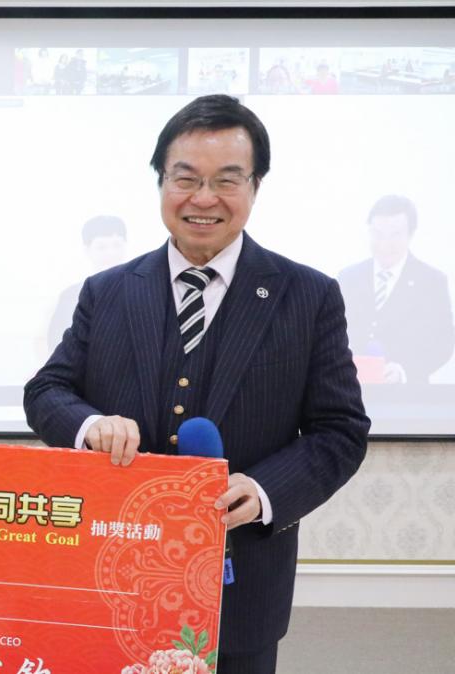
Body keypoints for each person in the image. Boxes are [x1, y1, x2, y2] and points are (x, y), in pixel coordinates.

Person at [24, 95, 369, 673]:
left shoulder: (307, 296)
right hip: (115, 577)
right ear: (161, 182)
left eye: (226, 180)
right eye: (185, 178)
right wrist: (90, 425)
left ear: (255, 187)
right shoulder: (107, 291)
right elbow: (46, 392)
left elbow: (340, 431)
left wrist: (263, 492)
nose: (203, 198)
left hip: (242, 585)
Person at [337, 195, 455, 384]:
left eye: (395, 235)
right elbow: (332, 332)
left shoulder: (432, 281)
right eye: (378, 234)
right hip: (349, 389)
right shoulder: (348, 278)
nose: (385, 244)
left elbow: (444, 342)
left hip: (407, 394)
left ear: (411, 235)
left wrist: (405, 370)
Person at [47, 215, 128, 352]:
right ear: (87, 250)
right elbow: (56, 345)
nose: (111, 253)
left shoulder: (144, 289)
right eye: (101, 247)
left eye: (117, 245)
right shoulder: (70, 296)